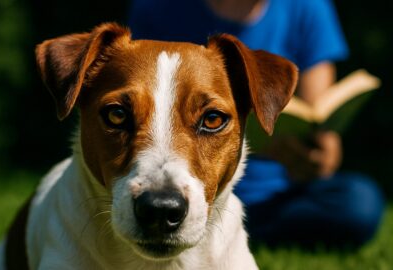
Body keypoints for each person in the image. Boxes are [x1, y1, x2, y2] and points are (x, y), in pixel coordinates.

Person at [127, 0, 384, 247]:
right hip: (195, 188)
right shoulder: (159, 7)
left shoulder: (308, 7)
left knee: (359, 201)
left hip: (279, 197)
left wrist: (319, 156)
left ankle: (235, 229)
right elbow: (139, 91)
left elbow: (323, 128)